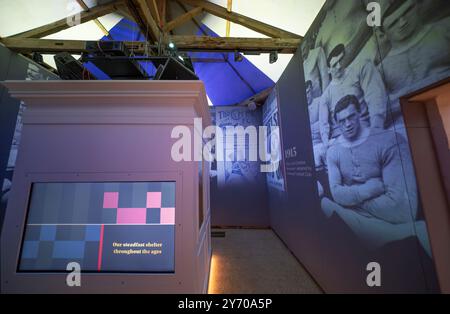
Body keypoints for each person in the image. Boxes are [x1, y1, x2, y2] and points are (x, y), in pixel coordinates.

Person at [321, 95, 430, 253]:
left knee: (419, 230)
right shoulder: (333, 151)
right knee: (325, 204)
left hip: (391, 224)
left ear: (359, 113)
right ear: (337, 124)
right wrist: (369, 190)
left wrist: (351, 200)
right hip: (355, 219)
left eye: (351, 117)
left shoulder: (390, 140)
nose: (348, 124)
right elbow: (337, 195)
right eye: (342, 121)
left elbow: (403, 210)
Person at [318, 44, 388, 149]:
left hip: (366, 128)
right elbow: (323, 124)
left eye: (341, 60)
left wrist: (376, 129)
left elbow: (375, 97)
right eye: (334, 65)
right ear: (328, 70)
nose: (339, 66)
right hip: (342, 139)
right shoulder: (325, 96)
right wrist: (326, 143)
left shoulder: (359, 69)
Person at [380, 0, 450, 103]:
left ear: (417, 7)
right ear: (383, 34)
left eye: (407, 11)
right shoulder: (382, 68)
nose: (403, 23)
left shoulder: (445, 28)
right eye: (393, 23)